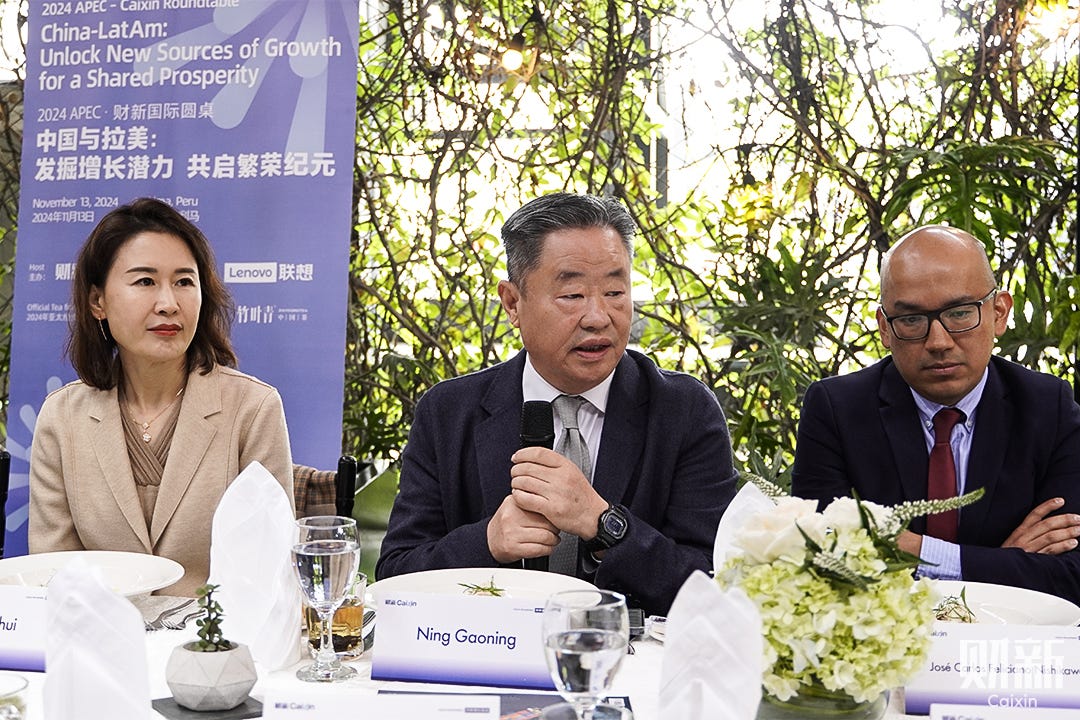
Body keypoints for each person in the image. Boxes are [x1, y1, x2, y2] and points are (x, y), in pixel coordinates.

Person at [376, 192, 738, 614]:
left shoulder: (683, 411)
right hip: (486, 659)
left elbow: (714, 585)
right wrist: (488, 543)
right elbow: (396, 578)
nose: (598, 317)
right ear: (513, 303)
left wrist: (604, 524)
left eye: (616, 292)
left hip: (630, 668)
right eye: (572, 296)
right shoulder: (450, 412)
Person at [791, 224, 1080, 603]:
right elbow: (822, 564)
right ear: (884, 328)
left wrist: (916, 551)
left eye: (959, 314)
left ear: (999, 313)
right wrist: (1003, 563)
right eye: (911, 320)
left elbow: (1072, 577)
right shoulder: (836, 410)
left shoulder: (1048, 406)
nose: (938, 342)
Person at [28, 197, 294, 596]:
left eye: (185, 282)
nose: (169, 304)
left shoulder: (253, 410)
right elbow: (52, 572)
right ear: (97, 301)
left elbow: (269, 571)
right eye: (145, 281)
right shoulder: (62, 417)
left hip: (215, 647)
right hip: (99, 643)